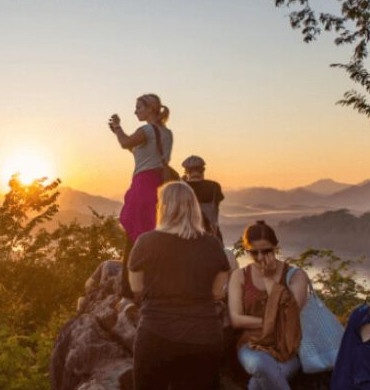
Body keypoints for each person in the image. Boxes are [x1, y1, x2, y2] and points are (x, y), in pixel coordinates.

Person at [128, 181, 230, 390]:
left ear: (163, 208)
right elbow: (217, 293)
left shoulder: (146, 242)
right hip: (204, 336)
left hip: (156, 333)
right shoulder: (213, 244)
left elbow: (136, 287)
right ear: (194, 208)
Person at [229, 221, 309, 390]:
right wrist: (272, 321)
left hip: (286, 347)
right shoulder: (240, 276)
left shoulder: (295, 276)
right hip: (251, 344)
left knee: (256, 384)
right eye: (254, 252)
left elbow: (290, 315)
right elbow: (236, 319)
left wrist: (268, 279)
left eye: (266, 251)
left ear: (276, 247)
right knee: (260, 365)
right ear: (246, 250)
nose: (260, 258)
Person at [109, 93, 173, 299]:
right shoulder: (167, 133)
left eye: (138, 107)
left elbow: (125, 143)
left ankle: (130, 290)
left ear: (151, 109)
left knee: (135, 237)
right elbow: (144, 154)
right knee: (152, 235)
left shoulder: (146, 130)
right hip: (160, 186)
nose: (135, 111)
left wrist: (118, 129)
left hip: (143, 186)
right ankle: (155, 283)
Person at [182, 155, 225, 241]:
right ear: (203, 170)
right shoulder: (214, 186)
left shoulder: (181, 187)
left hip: (187, 236)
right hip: (213, 236)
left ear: (186, 171)